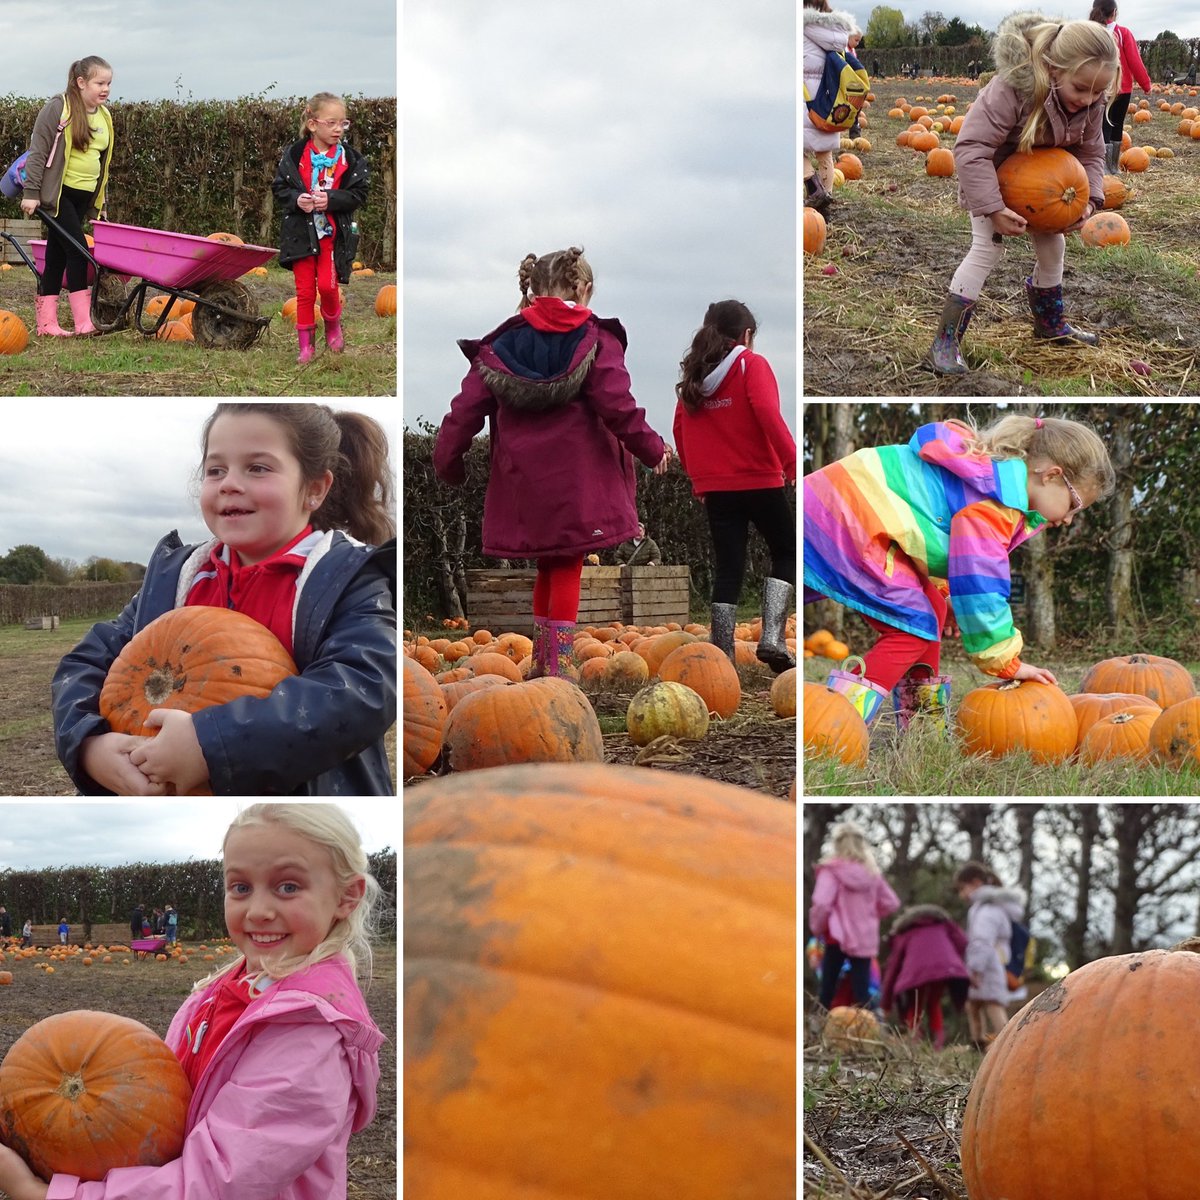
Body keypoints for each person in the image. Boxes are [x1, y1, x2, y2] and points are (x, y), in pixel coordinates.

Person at [0, 803, 384, 1200]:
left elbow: (218, 1182)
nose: (259, 910)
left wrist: (42, 1193)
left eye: (288, 887)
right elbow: (162, 1101)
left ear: (346, 896)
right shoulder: (225, 989)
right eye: (240, 888)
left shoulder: (309, 1037)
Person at [51, 404, 397, 796]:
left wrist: (210, 744)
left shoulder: (346, 579)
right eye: (216, 470)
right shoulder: (175, 580)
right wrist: (89, 745)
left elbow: (364, 687)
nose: (230, 483)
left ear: (315, 489)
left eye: (258, 468)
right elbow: (86, 662)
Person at [433, 247, 671, 678]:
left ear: (533, 287)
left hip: (523, 482)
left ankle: (544, 663)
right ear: (582, 289)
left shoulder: (500, 345)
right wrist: (653, 448)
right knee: (566, 565)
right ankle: (558, 670)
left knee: (549, 563)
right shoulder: (596, 338)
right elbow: (618, 404)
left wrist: (448, 462)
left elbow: (463, 412)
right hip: (578, 481)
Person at [804, 414, 1114, 730]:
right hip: (849, 520)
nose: (1069, 519)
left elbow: (926, 531)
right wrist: (1005, 661)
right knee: (911, 628)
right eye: (1074, 505)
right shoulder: (996, 504)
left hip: (836, 508)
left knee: (932, 609)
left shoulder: (987, 475)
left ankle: (922, 727)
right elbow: (983, 584)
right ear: (1051, 475)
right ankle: (833, 727)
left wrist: (946, 596)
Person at [928, 14, 1117, 375]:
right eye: (1081, 88)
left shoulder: (1091, 103)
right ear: (1053, 68)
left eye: (1098, 92)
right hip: (993, 182)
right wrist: (993, 207)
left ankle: (1050, 325)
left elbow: (1092, 153)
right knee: (987, 249)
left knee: (1053, 247)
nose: (1089, 98)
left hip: (1051, 189)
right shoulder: (1011, 89)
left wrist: (1090, 200)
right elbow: (971, 148)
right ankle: (946, 341)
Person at [673, 300, 797, 672]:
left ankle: (722, 654)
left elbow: (680, 431)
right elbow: (767, 414)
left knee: (729, 568)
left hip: (717, 489)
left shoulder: (694, 376)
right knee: (787, 551)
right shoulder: (750, 364)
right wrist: (792, 464)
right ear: (746, 336)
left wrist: (699, 479)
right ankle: (773, 638)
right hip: (760, 479)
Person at [18, 56, 114, 338]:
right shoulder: (59, 108)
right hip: (58, 195)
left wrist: (99, 205)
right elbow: (38, 152)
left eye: (109, 83)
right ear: (81, 82)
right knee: (78, 251)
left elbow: (103, 163)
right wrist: (32, 193)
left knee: (56, 254)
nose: (105, 88)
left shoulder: (104, 115)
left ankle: (47, 324)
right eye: (100, 83)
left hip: (84, 196)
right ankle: (83, 322)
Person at [273, 92, 369, 365]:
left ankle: (333, 325)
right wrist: (296, 200)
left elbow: (360, 194)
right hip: (301, 235)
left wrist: (332, 200)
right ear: (313, 124)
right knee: (304, 292)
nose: (339, 128)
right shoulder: (295, 156)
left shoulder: (349, 159)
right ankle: (306, 347)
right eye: (332, 122)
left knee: (327, 287)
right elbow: (280, 189)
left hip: (332, 235)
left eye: (343, 123)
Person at [808, 821, 900, 1010]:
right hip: (864, 937)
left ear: (837, 844)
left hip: (837, 937)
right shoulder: (872, 874)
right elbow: (891, 902)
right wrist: (871, 915)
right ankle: (867, 1029)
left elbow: (822, 904)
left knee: (828, 986)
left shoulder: (831, 871)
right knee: (862, 989)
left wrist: (816, 927)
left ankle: (818, 1027)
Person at [953, 860, 1026, 1049]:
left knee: (993, 1004)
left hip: (988, 965)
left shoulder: (988, 910)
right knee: (974, 1005)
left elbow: (981, 940)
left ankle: (1007, 1044)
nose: (962, 895)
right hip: (989, 962)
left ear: (976, 883)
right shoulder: (987, 907)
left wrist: (975, 969)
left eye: (963, 888)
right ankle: (978, 1042)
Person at [879, 903, 970, 1048]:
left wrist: (885, 1004)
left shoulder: (904, 932)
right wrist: (952, 957)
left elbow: (893, 968)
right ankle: (938, 1043)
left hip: (915, 973)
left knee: (915, 1005)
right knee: (934, 1002)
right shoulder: (942, 924)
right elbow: (962, 941)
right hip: (944, 968)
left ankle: (915, 1039)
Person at [802, 0, 856, 215]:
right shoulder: (837, 31)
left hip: (807, 97)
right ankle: (825, 206)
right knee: (824, 151)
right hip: (829, 98)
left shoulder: (802, 28)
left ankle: (813, 186)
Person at [1088, 1, 1151, 173]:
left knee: (1102, 127)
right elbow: (1134, 61)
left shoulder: (1090, 33)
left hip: (1098, 89)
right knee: (1117, 126)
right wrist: (1145, 84)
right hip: (1122, 89)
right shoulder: (1122, 33)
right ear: (1114, 12)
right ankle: (1112, 167)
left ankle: (1101, 168)